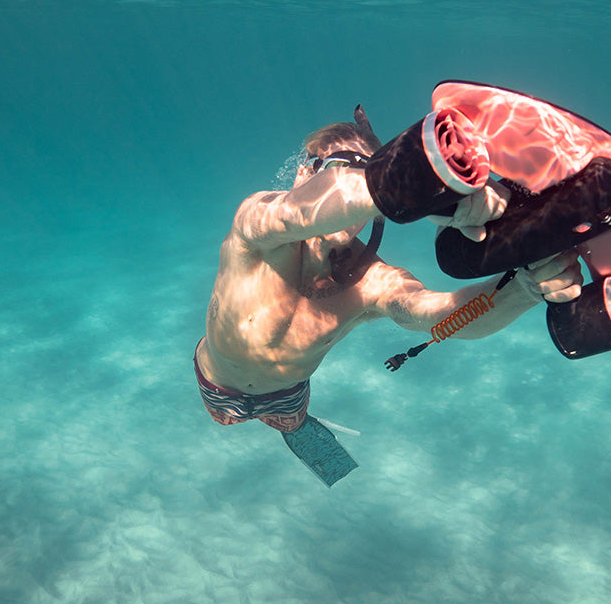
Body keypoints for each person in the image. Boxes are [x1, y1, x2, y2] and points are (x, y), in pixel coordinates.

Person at [194, 106, 582, 481]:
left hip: (288, 396)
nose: (357, 194)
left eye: (367, 174)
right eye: (337, 170)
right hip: (216, 384)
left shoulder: (371, 282)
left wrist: (526, 289)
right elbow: (297, 212)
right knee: (222, 420)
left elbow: (436, 315)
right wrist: (408, 181)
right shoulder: (254, 226)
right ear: (302, 176)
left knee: (294, 427)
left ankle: (311, 445)